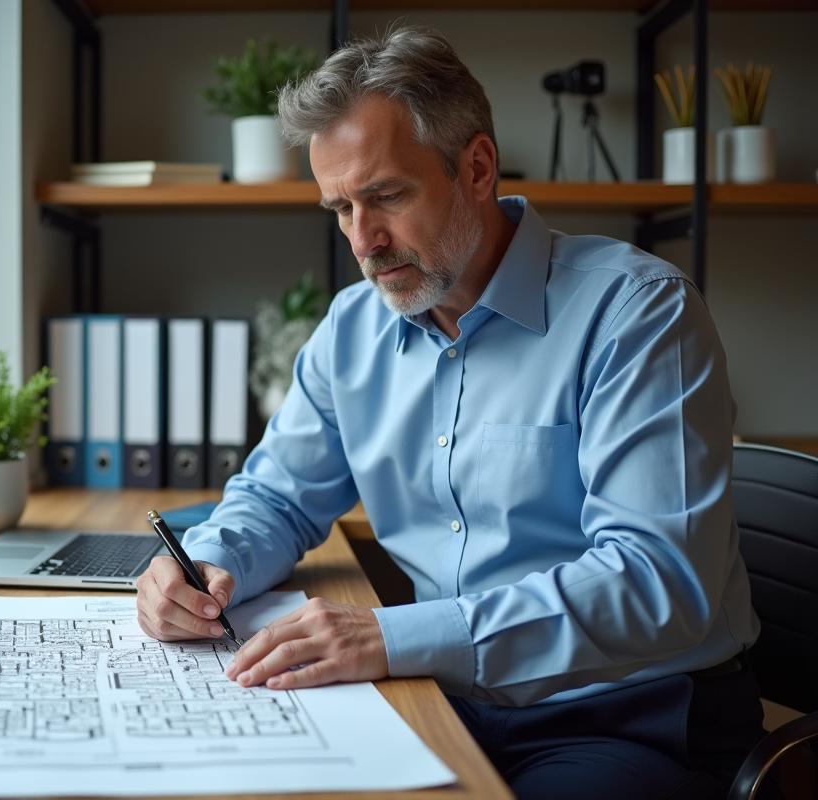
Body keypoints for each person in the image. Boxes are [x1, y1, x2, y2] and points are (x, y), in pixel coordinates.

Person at [136, 27, 769, 799]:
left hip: (629, 715)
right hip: (442, 699)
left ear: (476, 167)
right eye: (340, 208)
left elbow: (658, 583)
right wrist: (208, 566)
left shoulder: (637, 314)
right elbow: (277, 495)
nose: (363, 242)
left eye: (386, 197)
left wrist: (393, 636)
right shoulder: (352, 328)